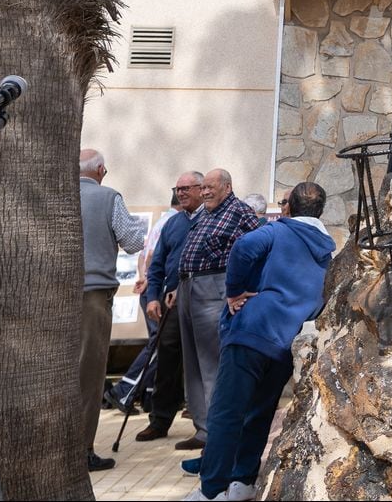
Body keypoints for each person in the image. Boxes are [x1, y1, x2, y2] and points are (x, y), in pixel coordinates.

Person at [184, 182, 334, 502]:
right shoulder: (327, 249)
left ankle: (211, 491)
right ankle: (242, 482)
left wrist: (235, 290)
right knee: (259, 413)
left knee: (226, 412)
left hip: (253, 331)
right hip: (287, 341)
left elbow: (242, 247)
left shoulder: (277, 231)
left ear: (288, 208)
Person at [176, 168, 259, 452]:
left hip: (214, 289)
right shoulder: (207, 213)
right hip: (188, 288)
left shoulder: (240, 211)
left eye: (211, 187)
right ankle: (203, 429)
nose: (206, 191)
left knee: (212, 363)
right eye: (204, 187)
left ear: (227, 186)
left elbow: (257, 248)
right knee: (193, 364)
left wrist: (240, 288)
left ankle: (220, 433)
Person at [79, 148, 146, 473]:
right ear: (101, 170)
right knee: (89, 374)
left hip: (52, 297)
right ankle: (82, 451)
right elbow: (133, 241)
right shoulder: (107, 197)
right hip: (92, 295)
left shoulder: (56, 193)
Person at [129, 170, 203, 441]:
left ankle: (204, 424)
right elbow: (156, 264)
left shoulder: (210, 220)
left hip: (202, 301)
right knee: (167, 360)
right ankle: (160, 420)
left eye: (187, 188)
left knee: (201, 361)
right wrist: (152, 299)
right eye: (178, 189)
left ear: (201, 189)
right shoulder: (172, 225)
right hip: (170, 302)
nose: (181, 193)